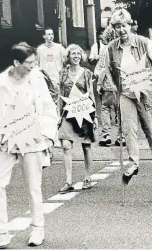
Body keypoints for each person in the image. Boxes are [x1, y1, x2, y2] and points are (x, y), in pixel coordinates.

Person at [0, 42, 58, 249]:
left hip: (31, 139)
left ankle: (38, 227)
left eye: (34, 62)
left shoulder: (37, 79)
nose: (33, 66)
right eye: (29, 63)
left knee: (33, 186)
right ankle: (0, 233)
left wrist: (48, 136)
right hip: (5, 139)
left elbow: (48, 107)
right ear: (16, 63)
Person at [101, 8, 152, 178]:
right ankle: (133, 162)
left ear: (130, 25)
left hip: (145, 91)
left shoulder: (143, 42)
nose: (121, 30)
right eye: (117, 27)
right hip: (125, 92)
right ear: (113, 28)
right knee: (129, 129)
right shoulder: (111, 48)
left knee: (150, 127)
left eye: (124, 26)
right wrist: (114, 85)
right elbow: (106, 67)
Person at [57, 44, 97, 193]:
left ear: (81, 56)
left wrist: (95, 116)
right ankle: (68, 181)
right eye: (73, 54)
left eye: (78, 54)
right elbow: (59, 95)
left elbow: (91, 94)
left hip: (84, 112)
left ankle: (88, 177)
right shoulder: (62, 73)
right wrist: (58, 115)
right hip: (67, 113)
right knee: (66, 145)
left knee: (86, 146)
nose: (76, 56)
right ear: (68, 56)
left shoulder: (87, 73)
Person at [94, 38, 126, 147]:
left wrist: (99, 84)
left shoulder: (106, 49)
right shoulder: (124, 49)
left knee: (106, 108)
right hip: (122, 85)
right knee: (120, 111)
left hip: (108, 85)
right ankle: (121, 136)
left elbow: (103, 69)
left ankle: (105, 135)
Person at [36, 27, 67, 94]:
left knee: (58, 100)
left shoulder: (59, 47)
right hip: (44, 80)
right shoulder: (40, 49)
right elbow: (37, 64)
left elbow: (66, 61)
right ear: (44, 36)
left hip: (57, 79)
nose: (51, 36)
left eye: (52, 34)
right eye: (48, 34)